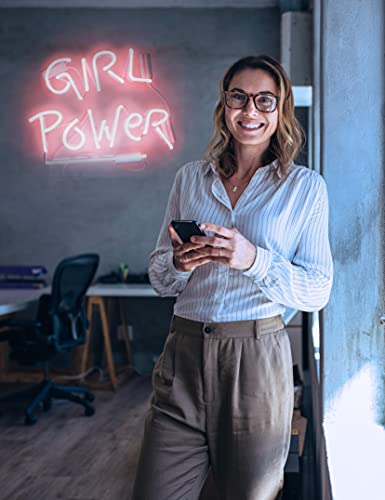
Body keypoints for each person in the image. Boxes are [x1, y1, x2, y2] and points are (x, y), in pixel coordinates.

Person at [132, 55, 333, 500]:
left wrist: (253, 259)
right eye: (238, 97)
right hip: (183, 353)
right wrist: (181, 265)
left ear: (280, 111)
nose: (250, 111)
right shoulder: (190, 179)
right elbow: (160, 277)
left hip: (257, 361)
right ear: (223, 105)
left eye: (265, 101)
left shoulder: (305, 188)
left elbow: (318, 289)